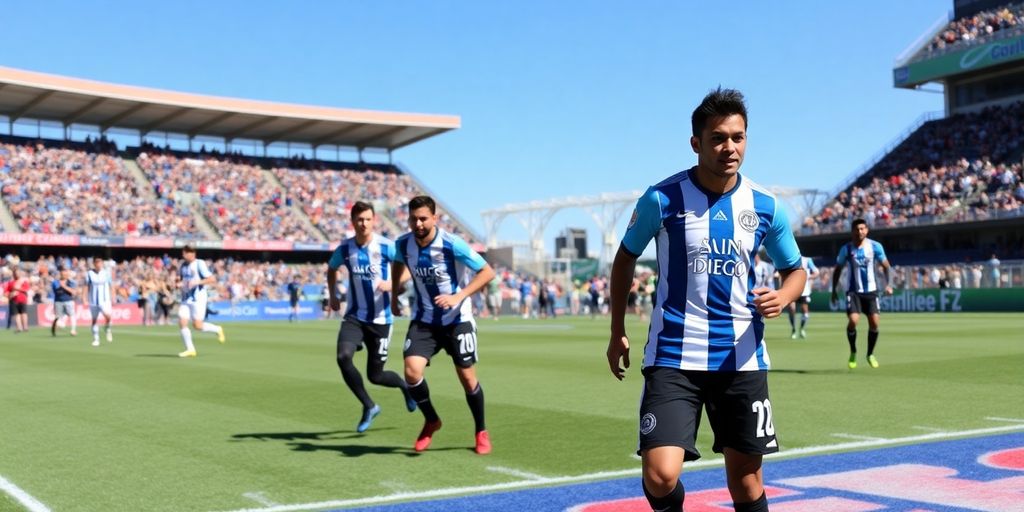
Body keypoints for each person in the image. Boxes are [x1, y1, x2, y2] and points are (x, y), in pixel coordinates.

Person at [606, 88, 806, 512]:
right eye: (717, 138)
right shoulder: (662, 199)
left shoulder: (766, 206)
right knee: (660, 476)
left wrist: (785, 296)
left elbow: (796, 269)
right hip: (674, 356)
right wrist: (617, 330)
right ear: (696, 143)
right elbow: (624, 259)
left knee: (747, 484)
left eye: (738, 137)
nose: (729, 147)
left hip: (742, 359)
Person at [391, 195, 497, 455]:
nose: (418, 224)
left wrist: (458, 296)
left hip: (457, 320)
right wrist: (394, 293)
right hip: (425, 320)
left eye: (424, 218)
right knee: (411, 371)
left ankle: (481, 430)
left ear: (434, 218)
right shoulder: (403, 245)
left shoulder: (452, 244)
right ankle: (432, 420)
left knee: (467, 376)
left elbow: (487, 272)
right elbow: (397, 265)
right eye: (414, 219)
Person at [327, 201, 416, 433]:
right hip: (355, 317)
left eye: (367, 219)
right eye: (359, 219)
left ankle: (406, 388)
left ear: (373, 220)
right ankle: (369, 405)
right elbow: (331, 268)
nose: (363, 223)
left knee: (375, 376)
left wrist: (393, 283)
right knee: (342, 356)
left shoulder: (387, 247)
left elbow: (409, 267)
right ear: (352, 221)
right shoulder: (345, 249)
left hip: (381, 320)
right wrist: (333, 294)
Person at [830, 218, 892, 369]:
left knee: (875, 323)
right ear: (852, 231)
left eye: (862, 229)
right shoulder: (846, 249)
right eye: (857, 229)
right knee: (853, 321)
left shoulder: (875, 247)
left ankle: (870, 354)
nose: (860, 232)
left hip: (871, 291)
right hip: (853, 292)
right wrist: (834, 290)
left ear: (867, 230)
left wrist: (888, 284)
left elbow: (886, 266)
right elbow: (838, 269)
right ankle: (853, 351)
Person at [176, 245, 225, 358]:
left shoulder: (199, 264)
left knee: (197, 326)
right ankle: (190, 349)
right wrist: (178, 283)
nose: (183, 255)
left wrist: (197, 282)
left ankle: (217, 329)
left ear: (192, 254)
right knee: (182, 321)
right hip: (186, 298)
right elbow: (180, 279)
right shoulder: (183, 265)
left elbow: (212, 279)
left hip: (198, 298)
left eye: (185, 253)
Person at [787, 256, 819, 339]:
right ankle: (794, 329)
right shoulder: (790, 259)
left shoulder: (807, 260)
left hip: (804, 290)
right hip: (792, 289)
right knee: (791, 308)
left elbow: (816, 272)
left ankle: (801, 329)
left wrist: (808, 277)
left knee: (805, 312)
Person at [86, 258, 114, 346]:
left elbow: (111, 285)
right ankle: (96, 339)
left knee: (108, 317)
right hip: (93, 300)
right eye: (97, 263)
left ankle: (107, 328)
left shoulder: (106, 273)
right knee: (94, 320)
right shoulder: (89, 273)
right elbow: (86, 286)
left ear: (102, 263)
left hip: (105, 300)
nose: (98, 264)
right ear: (94, 264)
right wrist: (84, 298)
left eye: (100, 263)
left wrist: (113, 296)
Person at [51, 266, 78, 337]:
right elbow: (56, 291)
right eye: (62, 273)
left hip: (69, 301)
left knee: (72, 315)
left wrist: (64, 287)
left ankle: (73, 330)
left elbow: (73, 292)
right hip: (58, 301)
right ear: (60, 274)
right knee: (58, 317)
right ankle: (55, 328)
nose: (64, 274)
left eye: (66, 272)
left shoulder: (71, 282)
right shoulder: (55, 282)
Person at [5, 268, 30, 333]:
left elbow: (26, 289)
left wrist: (18, 289)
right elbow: (6, 292)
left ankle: (25, 327)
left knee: (23, 313)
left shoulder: (24, 281)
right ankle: (19, 328)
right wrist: (10, 294)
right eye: (15, 273)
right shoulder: (11, 282)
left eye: (18, 273)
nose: (17, 274)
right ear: (13, 274)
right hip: (13, 300)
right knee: (16, 314)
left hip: (22, 299)